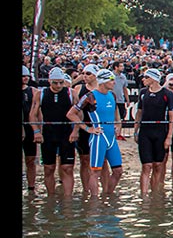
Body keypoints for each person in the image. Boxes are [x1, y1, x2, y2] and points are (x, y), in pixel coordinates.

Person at [66, 68, 124, 196]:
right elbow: (71, 114)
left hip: (111, 138)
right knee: (95, 171)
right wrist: (87, 128)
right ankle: (94, 203)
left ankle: (106, 196)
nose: (114, 82)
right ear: (103, 81)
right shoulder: (90, 96)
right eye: (111, 80)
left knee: (118, 170)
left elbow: (115, 114)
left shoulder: (112, 95)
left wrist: (117, 125)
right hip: (98, 137)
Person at [31, 68, 75, 196]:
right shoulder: (41, 94)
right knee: (49, 168)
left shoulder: (70, 93)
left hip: (66, 133)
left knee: (67, 168)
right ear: (49, 81)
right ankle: (50, 198)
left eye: (61, 82)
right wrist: (36, 132)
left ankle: (67, 201)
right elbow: (32, 115)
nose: (58, 86)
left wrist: (75, 131)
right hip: (49, 134)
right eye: (55, 83)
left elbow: (79, 114)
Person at [134, 68, 173, 195]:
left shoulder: (167, 94)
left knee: (158, 165)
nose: (143, 80)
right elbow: (139, 113)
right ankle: (144, 195)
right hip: (145, 132)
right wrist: (136, 131)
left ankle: (155, 193)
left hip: (160, 132)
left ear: (153, 79)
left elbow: (172, 116)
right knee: (146, 166)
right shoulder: (143, 93)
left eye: (146, 77)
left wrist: (169, 136)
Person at [22, 65, 40, 192]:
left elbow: (37, 112)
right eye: (23, 77)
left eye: (27, 76)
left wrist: (38, 129)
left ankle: (31, 187)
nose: (25, 79)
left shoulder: (33, 91)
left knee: (31, 159)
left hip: (30, 128)